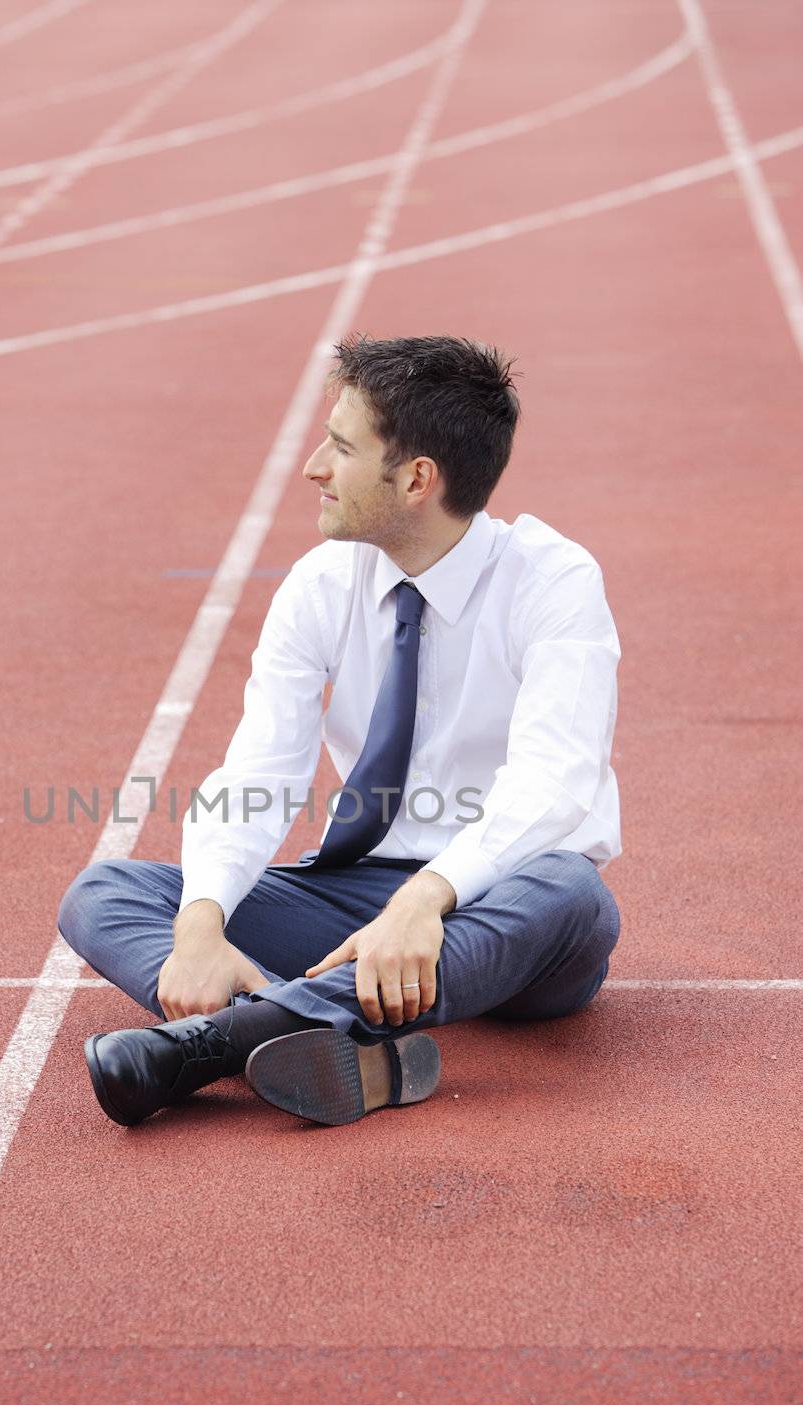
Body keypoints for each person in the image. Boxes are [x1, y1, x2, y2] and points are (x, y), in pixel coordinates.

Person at [58, 334, 622, 1128]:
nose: (313, 466)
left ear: (417, 478)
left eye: (342, 447)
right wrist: (200, 922)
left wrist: (427, 901)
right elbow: (261, 770)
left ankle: (217, 1043)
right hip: (358, 897)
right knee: (108, 891)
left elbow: (555, 783)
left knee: (573, 894)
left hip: (503, 906)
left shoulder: (554, 582)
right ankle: (339, 1043)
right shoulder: (320, 584)